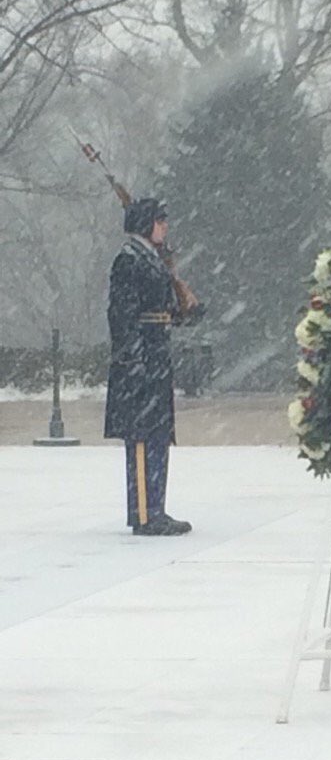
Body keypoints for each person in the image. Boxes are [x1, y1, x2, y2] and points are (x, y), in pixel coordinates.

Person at [104, 198, 192, 536]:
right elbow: (122, 314)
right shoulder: (129, 261)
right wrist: (132, 358)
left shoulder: (152, 259)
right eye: (159, 220)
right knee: (141, 438)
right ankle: (144, 513)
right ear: (144, 224)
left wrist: (186, 310)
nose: (165, 225)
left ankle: (156, 506)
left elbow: (163, 307)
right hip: (139, 361)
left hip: (155, 356)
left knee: (157, 435)